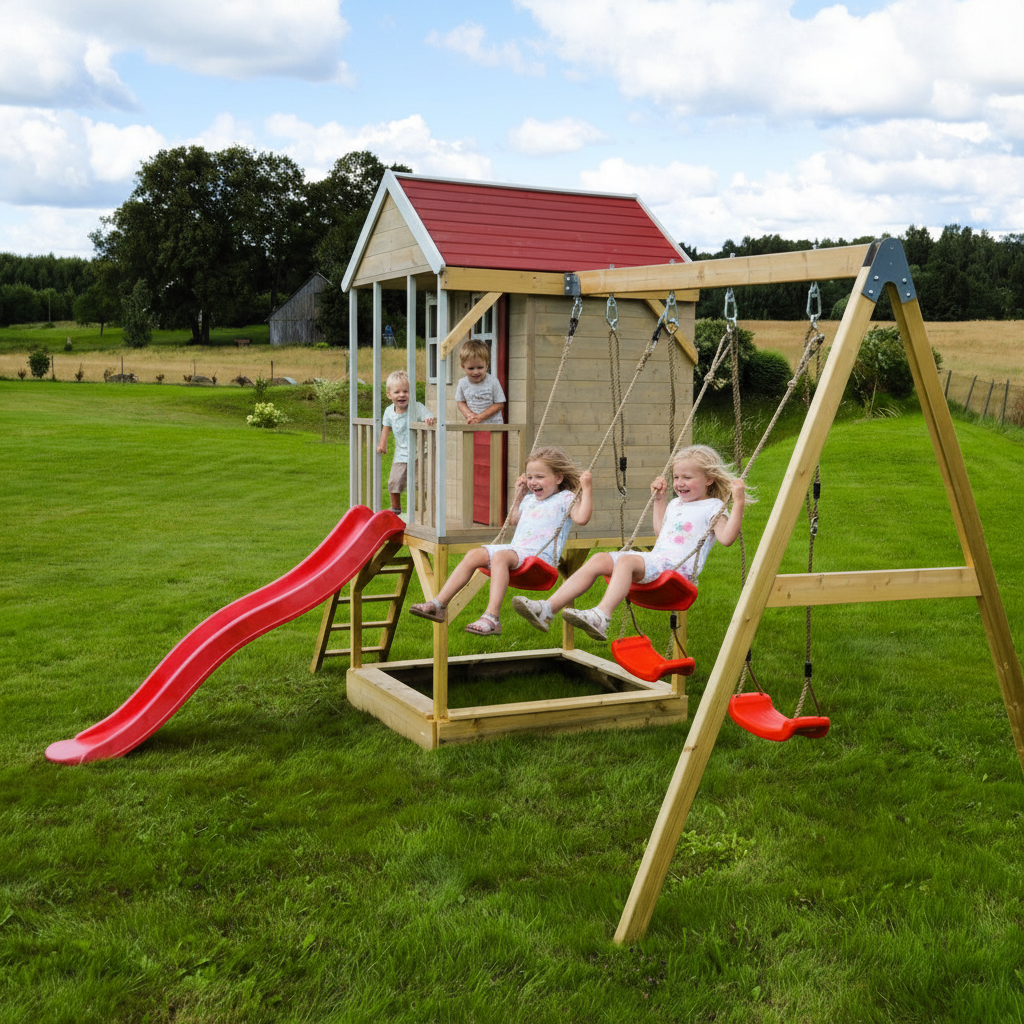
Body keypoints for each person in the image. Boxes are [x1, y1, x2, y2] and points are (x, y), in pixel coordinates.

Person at [513, 445, 747, 642]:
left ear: (709, 479)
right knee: (599, 558)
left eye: (687, 477)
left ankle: (601, 616)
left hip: (677, 570)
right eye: (676, 477)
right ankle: (547, 609)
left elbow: (727, 538)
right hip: (658, 561)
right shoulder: (677, 504)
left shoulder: (713, 506)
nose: (679, 483)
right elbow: (662, 533)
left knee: (626, 561)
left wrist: (738, 502)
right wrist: (660, 500)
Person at [410, 446, 593, 636]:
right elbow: (514, 519)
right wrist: (519, 494)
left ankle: (492, 617)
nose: (533, 482)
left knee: (500, 556)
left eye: (539, 477)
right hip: (518, 551)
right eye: (530, 477)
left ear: (558, 478)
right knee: (474, 554)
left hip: (540, 558)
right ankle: (439, 604)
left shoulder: (565, 498)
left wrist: (587, 488)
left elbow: (582, 518)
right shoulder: (530, 499)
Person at [377, 370, 435, 516]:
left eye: (406, 391)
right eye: (397, 392)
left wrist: (428, 419)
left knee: (418, 483)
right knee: (394, 482)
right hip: (401, 454)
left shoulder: (416, 407)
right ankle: (395, 509)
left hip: (419, 453)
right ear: (389, 395)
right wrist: (382, 444)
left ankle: (419, 511)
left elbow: (428, 416)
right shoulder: (389, 412)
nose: (402, 395)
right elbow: (386, 428)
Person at [455, 339, 505, 425]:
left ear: (487, 365)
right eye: (471, 368)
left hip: (493, 427)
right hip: (473, 425)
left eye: (480, 367)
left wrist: (480, 417)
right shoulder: (462, 383)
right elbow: (460, 402)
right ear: (463, 367)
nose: (475, 372)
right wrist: (469, 415)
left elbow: (499, 404)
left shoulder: (493, 381)